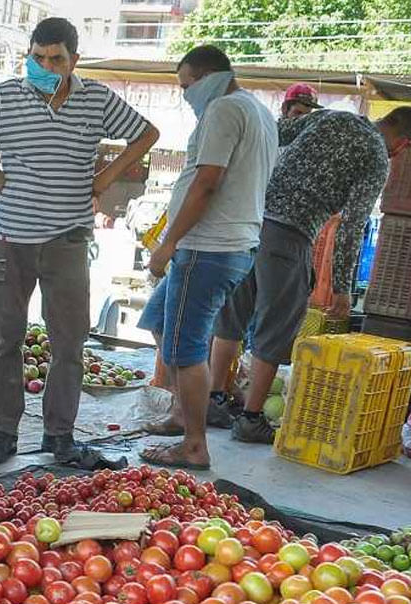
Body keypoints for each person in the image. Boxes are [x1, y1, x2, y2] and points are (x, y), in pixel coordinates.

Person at [0, 17, 159, 464]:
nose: (45, 65)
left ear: (74, 60)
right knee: (5, 337)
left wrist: (106, 176)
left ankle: (60, 434)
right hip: (11, 235)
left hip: (69, 236)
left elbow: (146, 133)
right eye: (38, 57)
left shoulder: (95, 99)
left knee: (69, 340)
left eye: (56, 59)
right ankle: (3, 431)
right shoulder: (4, 96)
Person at [210, 107, 411, 444]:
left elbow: (274, 132)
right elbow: (351, 226)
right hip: (290, 236)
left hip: (251, 221)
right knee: (278, 327)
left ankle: (212, 401)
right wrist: (343, 288)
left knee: (232, 314)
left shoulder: (331, 116)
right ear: (403, 144)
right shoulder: (377, 156)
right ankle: (251, 418)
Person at [135, 46, 277, 470]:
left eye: (186, 86)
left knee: (186, 348)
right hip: (226, 246)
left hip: (207, 248)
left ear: (208, 77)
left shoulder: (224, 111)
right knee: (161, 322)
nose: (185, 96)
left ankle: (194, 444)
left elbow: (207, 183)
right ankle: (182, 413)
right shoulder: (258, 111)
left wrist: (168, 244)